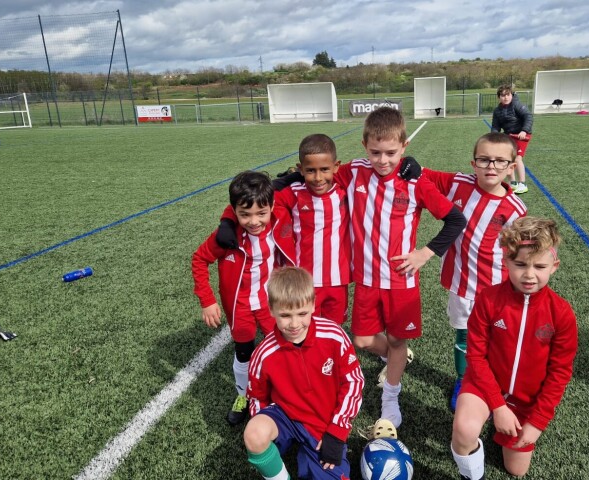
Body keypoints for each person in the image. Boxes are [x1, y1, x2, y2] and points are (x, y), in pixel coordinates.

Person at [334, 106, 466, 431]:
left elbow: (455, 219)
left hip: (400, 281)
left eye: (391, 153)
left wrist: (425, 253)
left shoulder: (414, 181)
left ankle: (391, 396)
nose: (383, 160)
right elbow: (315, 173)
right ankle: (395, 358)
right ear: (364, 146)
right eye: (375, 152)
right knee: (363, 340)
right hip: (365, 280)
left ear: (404, 147)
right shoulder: (352, 173)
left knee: (395, 339)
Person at [450, 216, 578, 479]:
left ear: (554, 266)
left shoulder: (562, 313)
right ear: (506, 262)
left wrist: (537, 422)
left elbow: (560, 372)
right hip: (485, 386)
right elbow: (476, 356)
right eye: (520, 264)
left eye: (539, 266)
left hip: (526, 399)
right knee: (464, 430)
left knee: (516, 470)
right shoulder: (488, 299)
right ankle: (471, 472)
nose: (529, 274)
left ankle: (504, 424)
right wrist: (497, 406)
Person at [420, 132, 528, 412]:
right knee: (464, 336)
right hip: (461, 284)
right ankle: (462, 380)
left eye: (499, 161)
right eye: (484, 160)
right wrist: (403, 161)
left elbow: (521, 253)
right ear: (473, 162)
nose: (491, 166)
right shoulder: (458, 183)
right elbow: (422, 174)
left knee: (496, 340)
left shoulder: (516, 209)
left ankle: (497, 383)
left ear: (512, 165)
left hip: (495, 288)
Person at [191, 170, 295, 426]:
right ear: (234, 212)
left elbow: (304, 183)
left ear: (271, 207)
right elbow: (199, 259)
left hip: (272, 303)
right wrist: (207, 300)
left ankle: (282, 394)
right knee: (244, 351)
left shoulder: (280, 217)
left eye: (261, 213)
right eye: (244, 214)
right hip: (240, 307)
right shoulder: (228, 237)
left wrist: (293, 175)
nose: (254, 220)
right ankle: (243, 396)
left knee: (282, 346)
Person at [244, 267, 364, 480]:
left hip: (322, 423)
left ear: (312, 305)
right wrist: (262, 426)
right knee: (254, 433)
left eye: (302, 313)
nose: (294, 324)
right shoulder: (263, 353)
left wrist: (336, 433)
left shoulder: (334, 336)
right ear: (271, 310)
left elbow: (354, 382)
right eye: (285, 315)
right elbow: (256, 397)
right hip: (285, 416)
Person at [217, 133, 351, 324]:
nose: (318, 177)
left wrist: (409, 162)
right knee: (304, 328)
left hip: (338, 280)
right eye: (311, 170)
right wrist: (227, 221)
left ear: (336, 167)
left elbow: (377, 166)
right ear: (300, 169)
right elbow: (251, 203)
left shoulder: (345, 187)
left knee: (334, 327)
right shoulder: (293, 193)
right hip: (302, 280)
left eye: (324, 169)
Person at [490, 85, 533, 195]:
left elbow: (528, 116)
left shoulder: (516, 105)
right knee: (507, 159)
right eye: (503, 95)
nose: (506, 97)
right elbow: (495, 126)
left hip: (521, 136)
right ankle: (513, 183)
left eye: (508, 95)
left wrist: (524, 130)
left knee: (517, 159)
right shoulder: (497, 111)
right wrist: (494, 137)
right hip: (509, 136)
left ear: (511, 95)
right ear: (498, 97)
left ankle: (523, 184)